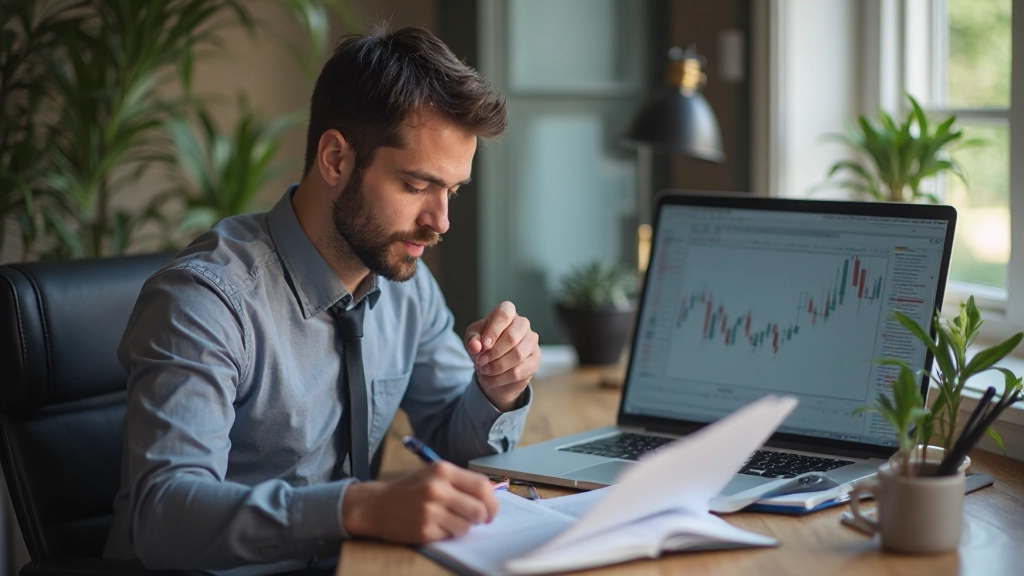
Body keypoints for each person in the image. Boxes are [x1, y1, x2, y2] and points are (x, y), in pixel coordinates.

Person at [103, 26, 540, 575]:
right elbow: (163, 516)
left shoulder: (407, 285)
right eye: (415, 186)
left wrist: (496, 391)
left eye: (452, 191)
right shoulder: (206, 301)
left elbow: (455, 445)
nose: (440, 222)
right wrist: (358, 508)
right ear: (335, 159)